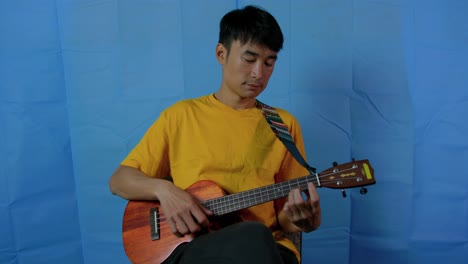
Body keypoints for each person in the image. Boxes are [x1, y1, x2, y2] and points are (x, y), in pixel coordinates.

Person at [109, 5, 321, 264]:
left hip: (266, 246)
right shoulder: (181, 116)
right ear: (222, 54)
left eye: (269, 62)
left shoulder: (283, 125)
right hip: (195, 247)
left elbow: (287, 219)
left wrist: (306, 220)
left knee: (256, 237)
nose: (259, 73)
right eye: (249, 59)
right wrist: (165, 190)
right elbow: (119, 180)